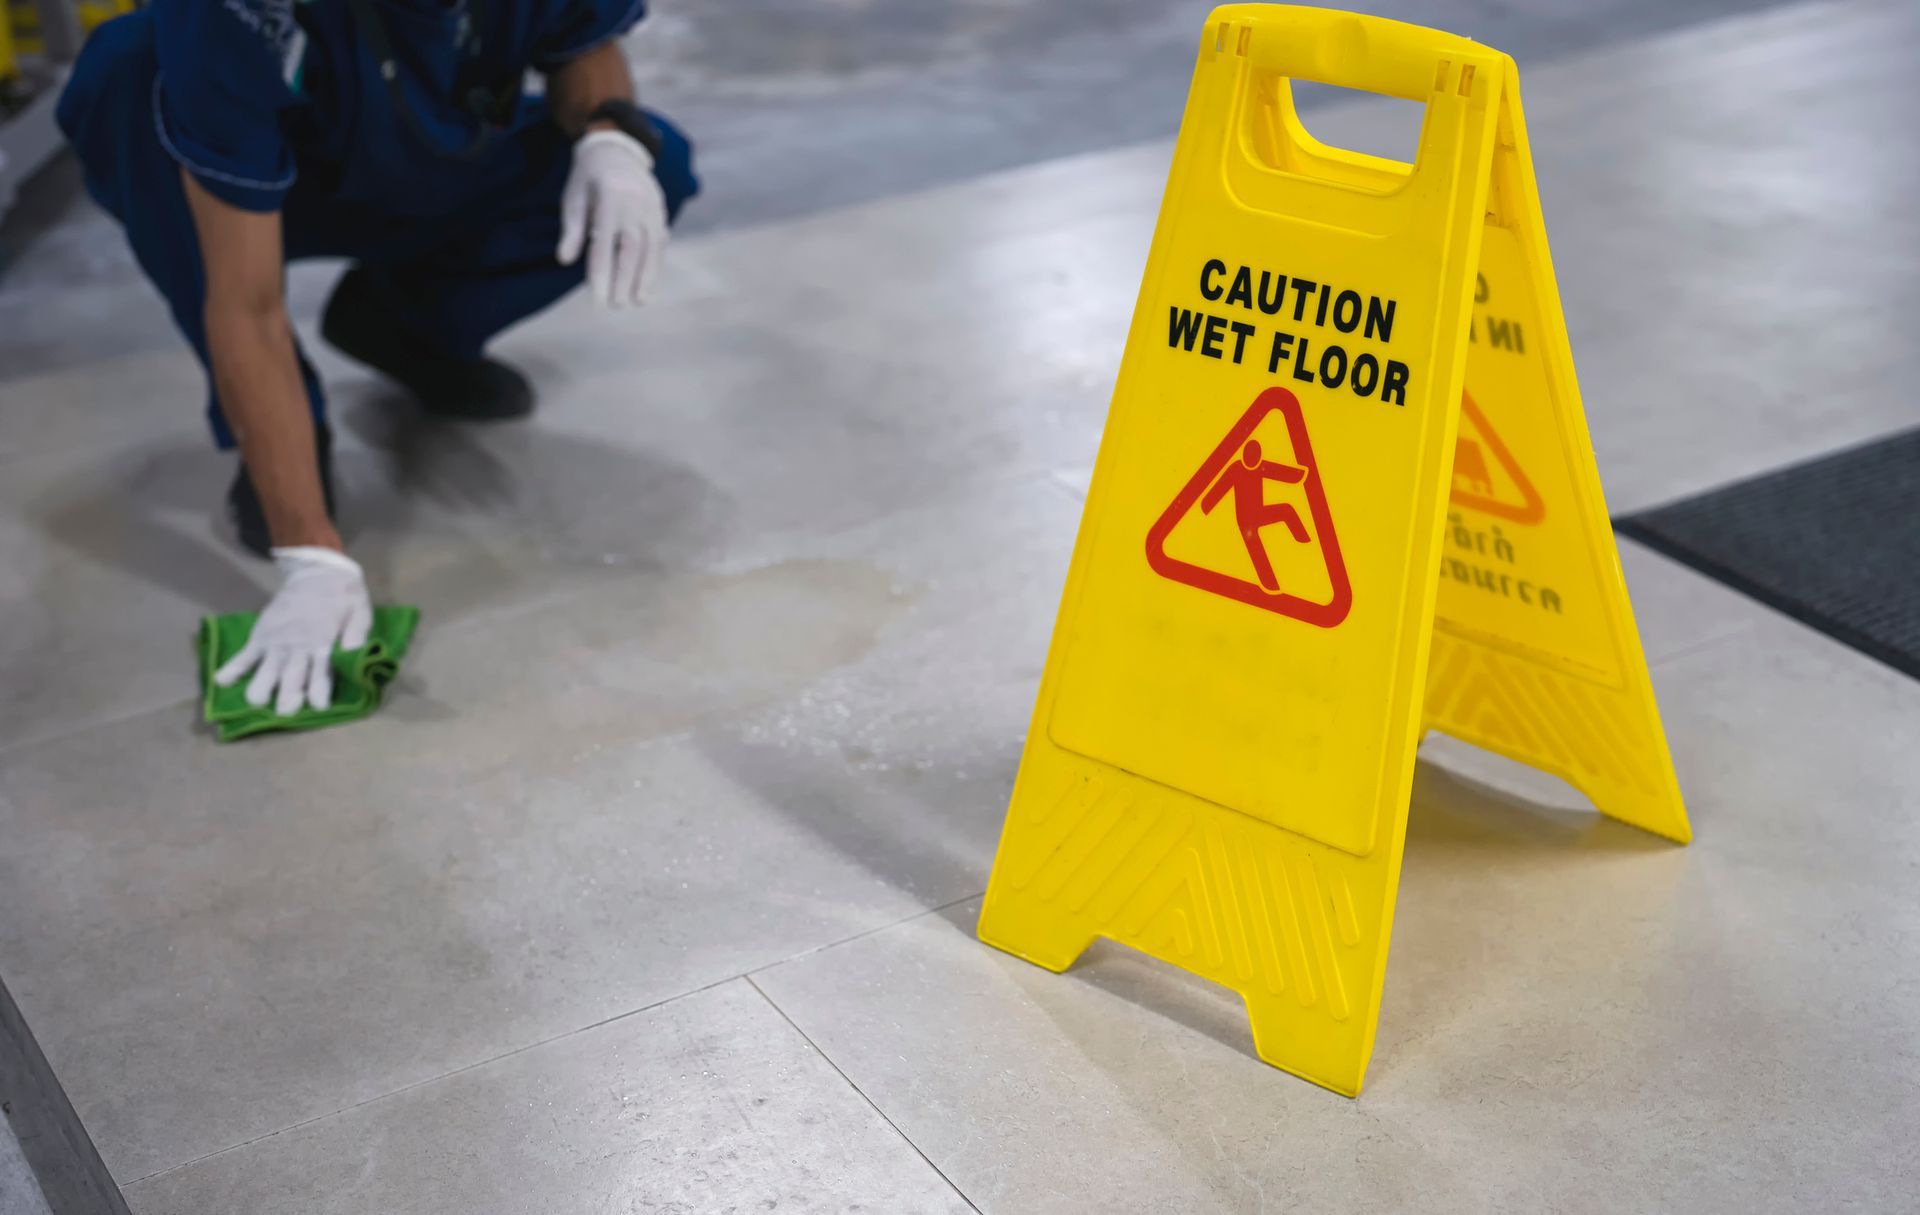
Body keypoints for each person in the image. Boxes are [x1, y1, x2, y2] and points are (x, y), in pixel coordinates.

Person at [56, 0, 698, 717]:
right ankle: (287, 432)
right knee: (128, 71)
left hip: (435, 145)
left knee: (658, 162)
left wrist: (611, 140)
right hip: (264, 172)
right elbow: (247, 305)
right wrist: (311, 555)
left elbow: (583, 39)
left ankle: (401, 328)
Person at [1201, 439, 1309, 594]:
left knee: (1286, 510)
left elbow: (1281, 472)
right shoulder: (1236, 469)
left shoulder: (1261, 467)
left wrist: (1301, 475)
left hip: (1259, 513)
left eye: (1255, 457)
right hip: (1245, 520)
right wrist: (1206, 505)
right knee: (1257, 550)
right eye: (1250, 456)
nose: (1252, 460)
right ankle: (1271, 586)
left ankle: (1304, 541)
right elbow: (1220, 487)